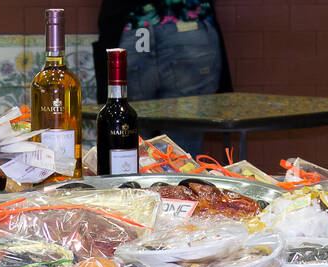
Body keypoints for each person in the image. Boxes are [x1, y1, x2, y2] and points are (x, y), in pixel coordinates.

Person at [94, 1, 232, 156]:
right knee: (182, 144)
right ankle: (182, 176)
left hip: (134, 30)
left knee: (133, 138)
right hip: (188, 28)